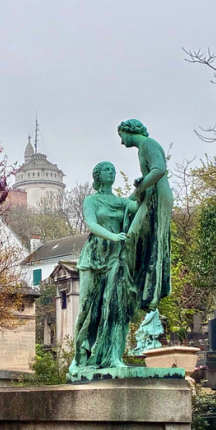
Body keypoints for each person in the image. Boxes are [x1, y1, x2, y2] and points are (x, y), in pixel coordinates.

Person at [68, 161, 139, 376]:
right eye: (107, 170)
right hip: (94, 256)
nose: (112, 172)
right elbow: (91, 224)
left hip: (116, 257)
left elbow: (139, 206)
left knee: (115, 306)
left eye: (114, 170)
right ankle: (79, 357)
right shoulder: (91, 200)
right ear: (98, 175)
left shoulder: (121, 202)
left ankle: (112, 356)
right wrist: (113, 236)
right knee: (88, 308)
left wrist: (143, 186)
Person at [117, 119, 173, 310]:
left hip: (158, 196)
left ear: (129, 131)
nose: (122, 142)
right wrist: (134, 194)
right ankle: (142, 286)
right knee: (140, 240)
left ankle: (151, 294)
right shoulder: (142, 149)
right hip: (150, 196)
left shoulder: (149, 144)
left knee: (153, 243)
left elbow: (159, 170)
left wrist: (141, 185)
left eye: (121, 136)